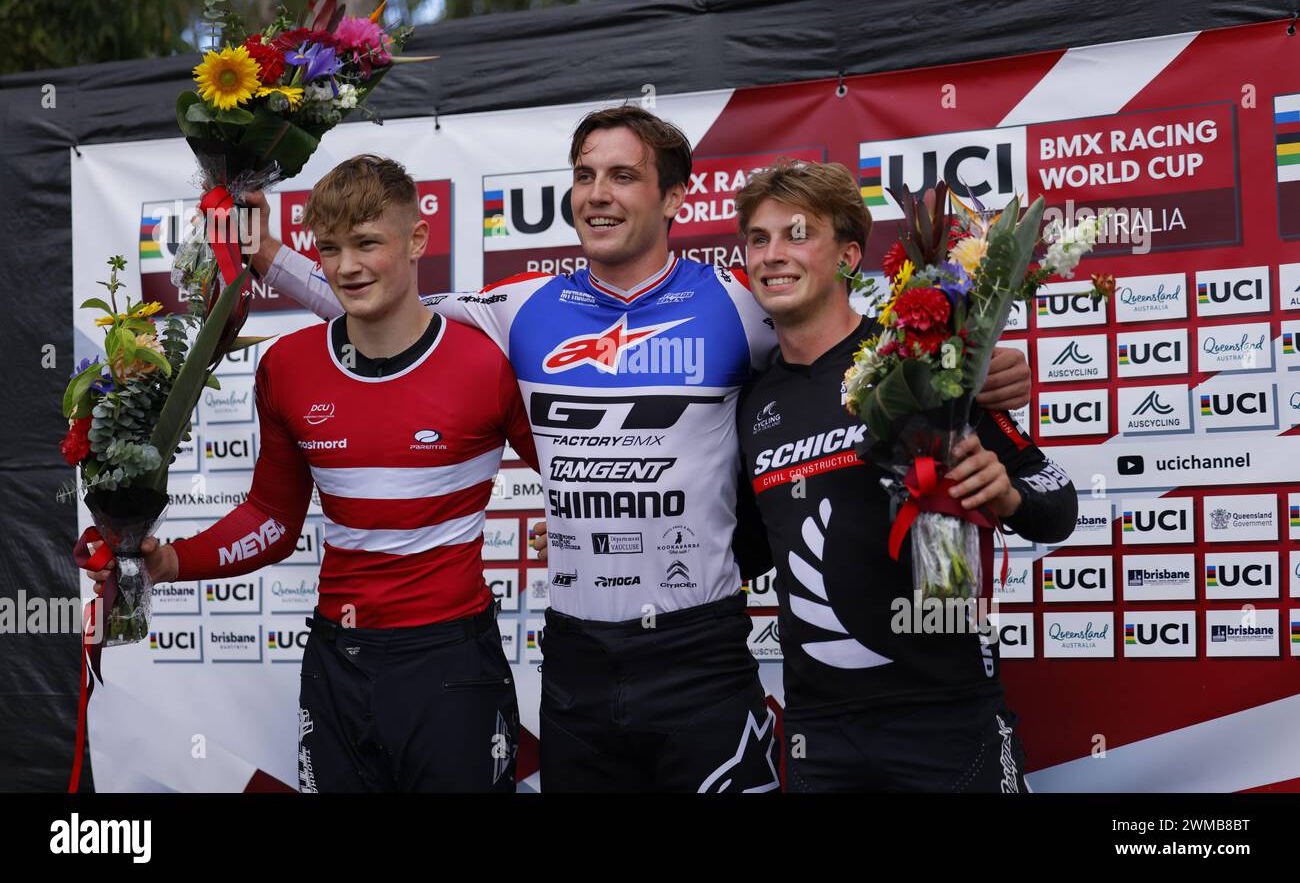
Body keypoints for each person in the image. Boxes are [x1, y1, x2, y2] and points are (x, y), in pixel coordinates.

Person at [249, 107, 1034, 792]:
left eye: (623, 175)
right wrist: (267, 255)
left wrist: (976, 368)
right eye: (585, 174)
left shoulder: (742, 302)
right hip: (578, 657)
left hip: (700, 652)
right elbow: (382, 308)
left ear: (674, 197)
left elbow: (863, 354)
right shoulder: (519, 307)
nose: (597, 192)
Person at [79, 155, 537, 792]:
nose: (347, 266)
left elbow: (576, 476)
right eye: (329, 247)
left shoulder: (486, 361)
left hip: (452, 661)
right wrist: (166, 563)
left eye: (367, 243)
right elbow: (271, 518)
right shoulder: (289, 365)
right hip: (337, 662)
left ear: (417, 240)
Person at [733, 158, 1077, 791]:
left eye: (798, 234)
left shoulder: (922, 356)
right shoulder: (752, 404)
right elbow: (742, 548)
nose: (773, 255)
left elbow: (1057, 501)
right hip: (821, 731)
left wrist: (1004, 494)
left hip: (947, 714)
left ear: (847, 255)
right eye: (759, 238)